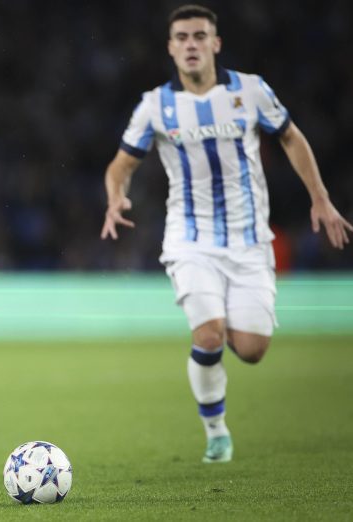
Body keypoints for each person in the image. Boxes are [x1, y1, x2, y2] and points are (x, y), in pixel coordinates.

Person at [100, 5, 351, 464]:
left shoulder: (250, 91)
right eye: (182, 37)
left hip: (249, 240)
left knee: (252, 350)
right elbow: (121, 165)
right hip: (190, 240)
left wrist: (320, 196)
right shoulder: (156, 105)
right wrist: (117, 196)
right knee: (209, 335)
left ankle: (227, 325)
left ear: (215, 44)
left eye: (200, 36)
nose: (191, 44)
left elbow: (291, 137)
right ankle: (216, 432)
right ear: (171, 47)